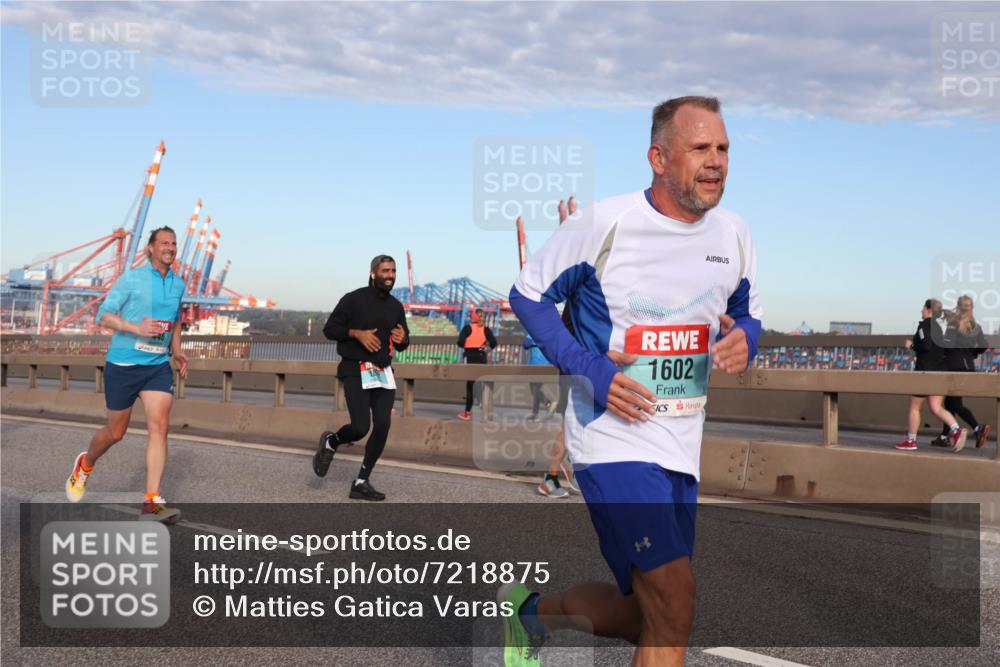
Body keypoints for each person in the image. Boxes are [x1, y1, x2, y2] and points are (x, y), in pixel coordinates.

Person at [504, 96, 762, 666]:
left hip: (681, 446)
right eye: (700, 148)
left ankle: (530, 615)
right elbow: (528, 296)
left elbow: (747, 311)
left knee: (645, 614)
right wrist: (594, 371)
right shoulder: (605, 223)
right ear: (659, 158)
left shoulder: (735, 234)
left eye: (722, 148)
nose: (716, 160)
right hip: (612, 437)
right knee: (675, 602)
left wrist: (748, 336)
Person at [65, 226, 189, 523]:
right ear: (150, 249)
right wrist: (136, 328)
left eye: (173, 243)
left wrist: (178, 350)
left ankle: (151, 502)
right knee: (115, 433)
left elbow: (175, 321)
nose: (170, 247)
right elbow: (103, 315)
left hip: (157, 365)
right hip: (123, 365)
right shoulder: (132, 278)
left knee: (159, 427)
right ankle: (86, 463)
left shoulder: (178, 284)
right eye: (164, 243)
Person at [313, 255, 410, 501]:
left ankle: (361, 481)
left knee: (383, 425)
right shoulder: (353, 299)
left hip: (383, 372)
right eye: (385, 270)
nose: (390, 275)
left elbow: (403, 341)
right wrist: (356, 333)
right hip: (355, 369)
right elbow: (330, 330)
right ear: (373, 273)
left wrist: (403, 339)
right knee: (360, 427)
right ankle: (332, 441)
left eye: (393, 271)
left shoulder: (396, 306)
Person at [898, 299, 967, 451]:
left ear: (929, 310)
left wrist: (912, 345)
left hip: (925, 372)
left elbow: (926, 346)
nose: (921, 311)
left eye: (923, 308)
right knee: (935, 407)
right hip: (940, 370)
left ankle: (911, 441)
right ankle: (956, 429)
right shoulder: (939, 326)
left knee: (914, 407)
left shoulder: (925, 325)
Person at [932, 295, 991, 449]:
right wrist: (971, 352)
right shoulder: (975, 325)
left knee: (954, 403)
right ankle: (945, 436)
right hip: (968, 368)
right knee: (951, 402)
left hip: (953, 366)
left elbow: (947, 344)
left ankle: (978, 428)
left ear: (958, 307)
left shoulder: (953, 323)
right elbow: (984, 345)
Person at [456, 308, 497, 420]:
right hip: (481, 357)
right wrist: (486, 349)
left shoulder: (467, 328)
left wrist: (467, 344)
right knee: (481, 384)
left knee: (470, 386)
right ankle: (484, 409)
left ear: (472, 317)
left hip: (470, 357)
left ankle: (467, 413)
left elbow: (460, 342)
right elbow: (494, 343)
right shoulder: (486, 329)